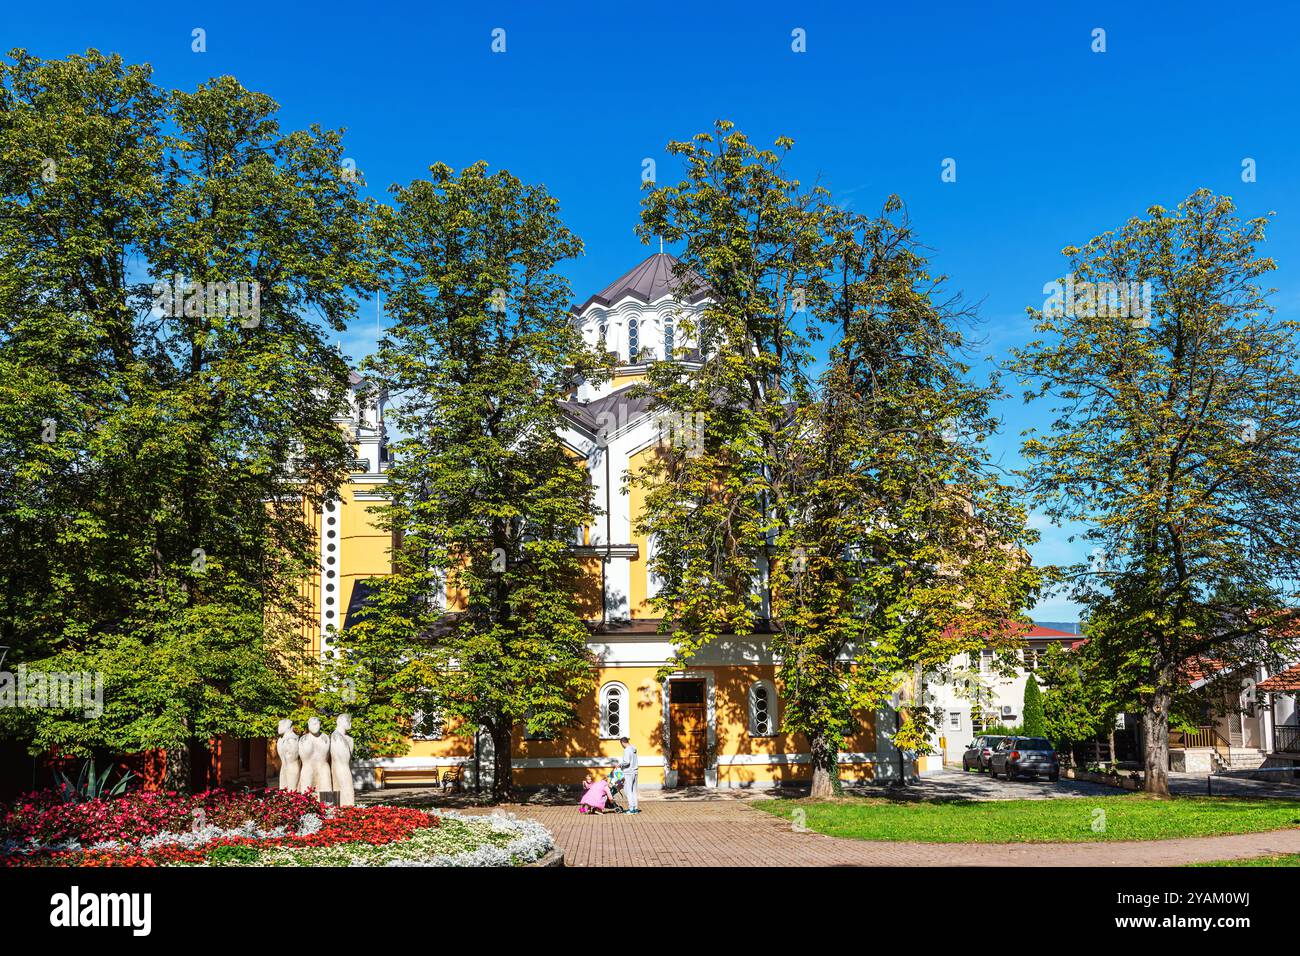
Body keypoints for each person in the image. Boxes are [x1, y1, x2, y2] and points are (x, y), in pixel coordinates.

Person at [618, 736, 639, 813]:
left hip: (628, 772)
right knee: (634, 790)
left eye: (621, 744)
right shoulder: (634, 748)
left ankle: (631, 809)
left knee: (628, 790)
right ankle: (635, 808)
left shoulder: (627, 750)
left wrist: (620, 765)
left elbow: (626, 762)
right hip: (635, 771)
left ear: (622, 743)